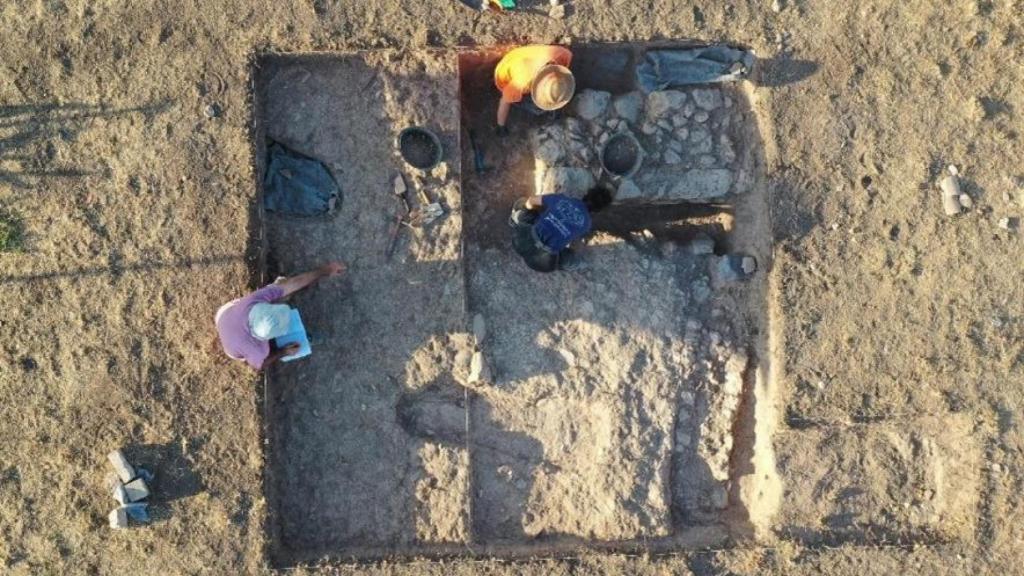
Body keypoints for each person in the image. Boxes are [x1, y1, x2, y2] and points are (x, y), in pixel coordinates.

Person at [214, 261, 346, 370]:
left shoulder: (253, 300)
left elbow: (295, 282)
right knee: (279, 290)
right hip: (233, 346)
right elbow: (258, 366)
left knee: (282, 286)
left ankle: (278, 291)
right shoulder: (257, 351)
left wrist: (326, 270)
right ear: (264, 338)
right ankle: (304, 337)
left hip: (223, 315)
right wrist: (283, 352)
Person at [509, 187, 613, 272]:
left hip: (519, 242)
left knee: (526, 206)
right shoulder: (586, 224)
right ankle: (579, 266)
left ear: (586, 195)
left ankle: (516, 218)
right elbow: (574, 244)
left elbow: (531, 200)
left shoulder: (560, 199)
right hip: (542, 264)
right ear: (597, 210)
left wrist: (527, 209)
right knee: (569, 259)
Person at [494, 44, 575, 132]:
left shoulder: (563, 55)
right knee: (537, 109)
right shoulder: (522, 83)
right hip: (505, 75)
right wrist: (500, 126)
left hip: (523, 58)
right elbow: (504, 101)